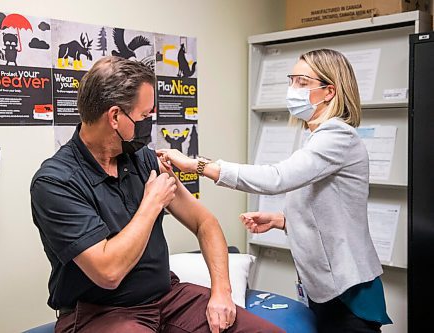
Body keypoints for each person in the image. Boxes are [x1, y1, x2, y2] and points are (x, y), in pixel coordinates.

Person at [30, 56, 284, 333]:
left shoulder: (143, 159)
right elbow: (108, 273)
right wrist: (151, 202)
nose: (149, 123)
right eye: (145, 116)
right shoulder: (56, 182)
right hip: (100, 313)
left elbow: (205, 223)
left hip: (166, 299)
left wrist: (221, 292)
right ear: (115, 116)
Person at [157, 49, 392, 333]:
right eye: (291, 80)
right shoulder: (317, 137)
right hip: (325, 287)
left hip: (349, 289)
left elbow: (278, 178)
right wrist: (282, 220)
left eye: (302, 83)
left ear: (329, 91)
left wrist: (198, 165)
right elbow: (330, 206)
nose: (292, 89)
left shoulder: (337, 136)